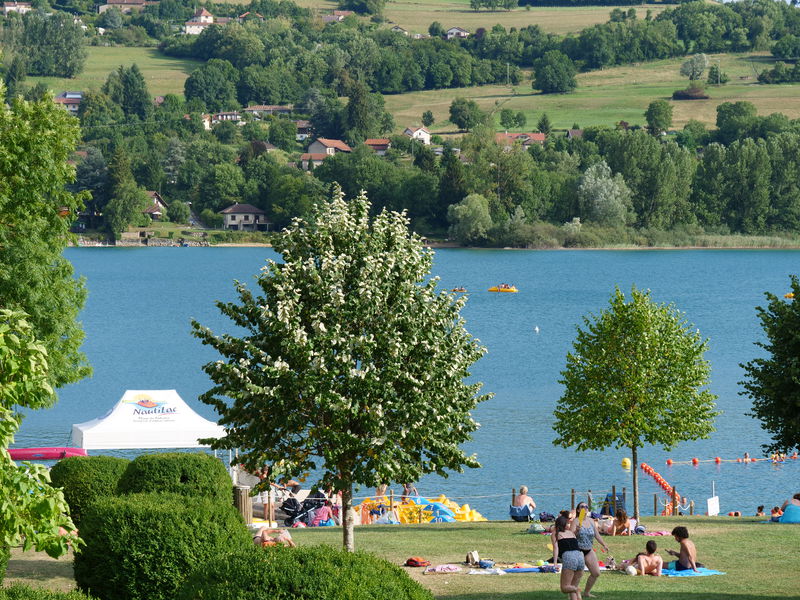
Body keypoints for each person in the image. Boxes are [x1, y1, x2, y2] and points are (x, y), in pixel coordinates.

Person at [574, 502, 609, 598]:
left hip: (589, 550)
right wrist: (577, 530)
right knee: (578, 575)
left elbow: (596, 535)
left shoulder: (591, 521)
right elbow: (571, 535)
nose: (585, 508)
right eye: (582, 507)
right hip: (578, 551)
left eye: (586, 507)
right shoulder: (576, 521)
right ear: (578, 510)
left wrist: (604, 544)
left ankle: (586, 593)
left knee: (596, 573)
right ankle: (573, 594)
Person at [552, 515, 584, 600]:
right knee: (572, 586)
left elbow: (556, 548)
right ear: (564, 524)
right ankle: (577, 593)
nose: (569, 524)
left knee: (565, 587)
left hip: (569, 557)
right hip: (580, 556)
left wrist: (555, 563)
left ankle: (577, 590)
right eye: (568, 523)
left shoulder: (556, 533)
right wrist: (577, 531)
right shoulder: (571, 533)